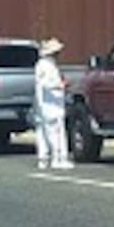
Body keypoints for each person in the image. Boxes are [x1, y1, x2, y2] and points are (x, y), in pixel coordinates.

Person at [34, 37, 72, 170]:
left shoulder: (46, 65)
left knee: (44, 132)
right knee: (55, 132)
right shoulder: (46, 66)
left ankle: (43, 159)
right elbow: (45, 84)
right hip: (50, 105)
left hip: (47, 105)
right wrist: (61, 85)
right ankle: (58, 158)